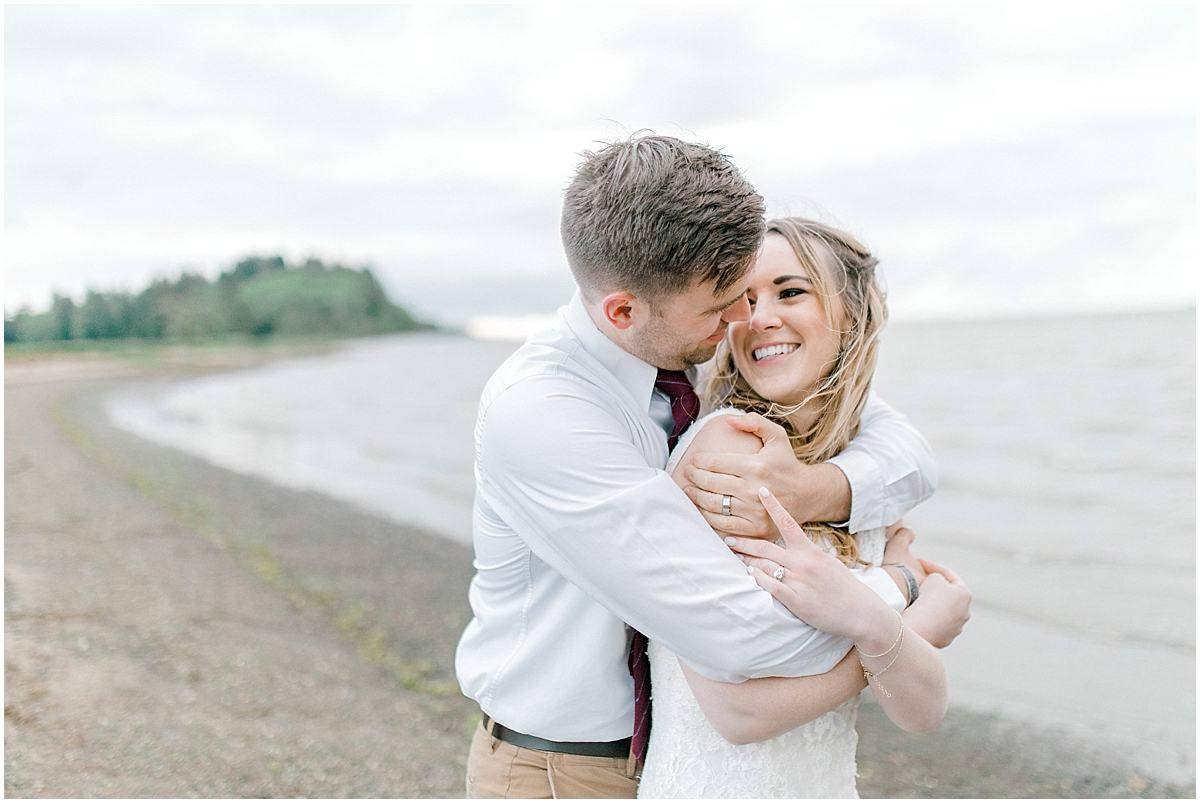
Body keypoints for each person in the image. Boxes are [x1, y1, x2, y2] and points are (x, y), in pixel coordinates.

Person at [455, 135, 965, 798]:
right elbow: (741, 645)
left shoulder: (684, 351)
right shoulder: (545, 413)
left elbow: (910, 455)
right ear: (624, 311)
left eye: (774, 291)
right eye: (728, 300)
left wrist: (820, 488)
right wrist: (900, 600)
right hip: (565, 767)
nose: (743, 321)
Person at [637, 218, 971, 798]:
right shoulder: (725, 454)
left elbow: (921, 713)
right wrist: (897, 605)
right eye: (744, 298)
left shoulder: (860, 470)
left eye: (790, 292)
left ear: (852, 317)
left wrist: (879, 620)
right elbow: (736, 713)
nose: (760, 317)